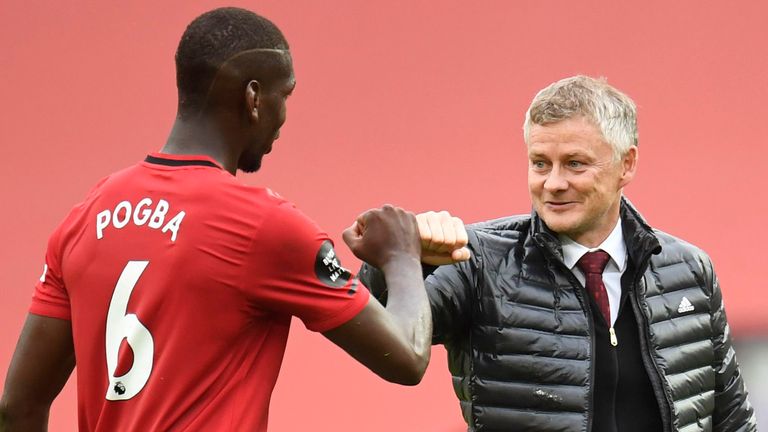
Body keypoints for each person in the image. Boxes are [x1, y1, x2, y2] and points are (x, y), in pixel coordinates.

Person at [0, 7, 463, 431]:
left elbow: (18, 406)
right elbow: (406, 357)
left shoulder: (88, 213)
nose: (284, 117)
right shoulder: (264, 225)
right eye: (286, 95)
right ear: (253, 97)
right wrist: (401, 255)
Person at [361, 76, 757, 431]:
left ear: (627, 164)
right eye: (540, 163)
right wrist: (400, 259)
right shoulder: (476, 260)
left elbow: (731, 419)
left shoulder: (688, 269)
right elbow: (378, 332)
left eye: (574, 164)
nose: (553, 183)